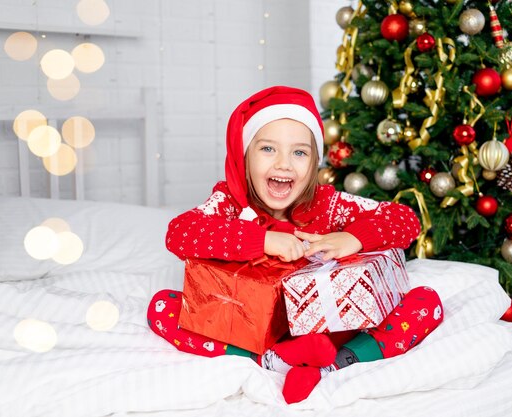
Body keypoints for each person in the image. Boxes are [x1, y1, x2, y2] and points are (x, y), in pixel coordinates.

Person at [147, 86, 444, 404]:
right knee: (163, 307)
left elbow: (404, 219)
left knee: (425, 301)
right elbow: (180, 233)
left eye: (299, 152)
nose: (284, 164)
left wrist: (353, 238)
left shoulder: (328, 205)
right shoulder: (231, 202)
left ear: (315, 162)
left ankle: (335, 364)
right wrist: (262, 240)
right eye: (268, 150)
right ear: (244, 157)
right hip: (252, 326)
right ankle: (275, 359)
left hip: (332, 329)